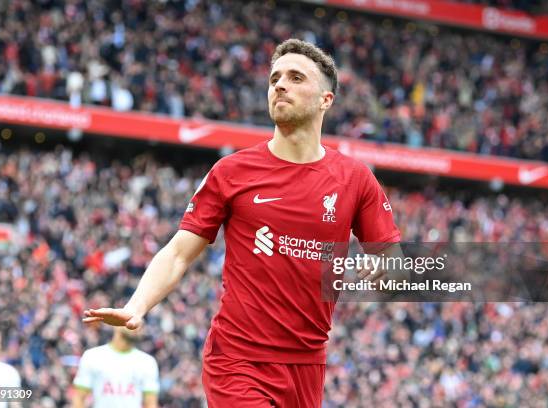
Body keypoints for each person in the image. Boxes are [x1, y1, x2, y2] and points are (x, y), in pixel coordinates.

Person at [83, 39, 401, 407]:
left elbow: (394, 262)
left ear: (325, 100)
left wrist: (385, 266)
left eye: (296, 77)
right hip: (237, 358)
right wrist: (137, 306)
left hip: (307, 364)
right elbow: (179, 253)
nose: (280, 85)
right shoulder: (232, 172)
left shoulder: (354, 179)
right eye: (275, 78)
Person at [72, 326, 159, 408]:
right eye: (129, 319)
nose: (135, 324)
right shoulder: (93, 356)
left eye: (139, 321)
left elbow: (151, 404)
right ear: (116, 323)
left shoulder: (147, 362)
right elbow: (79, 398)